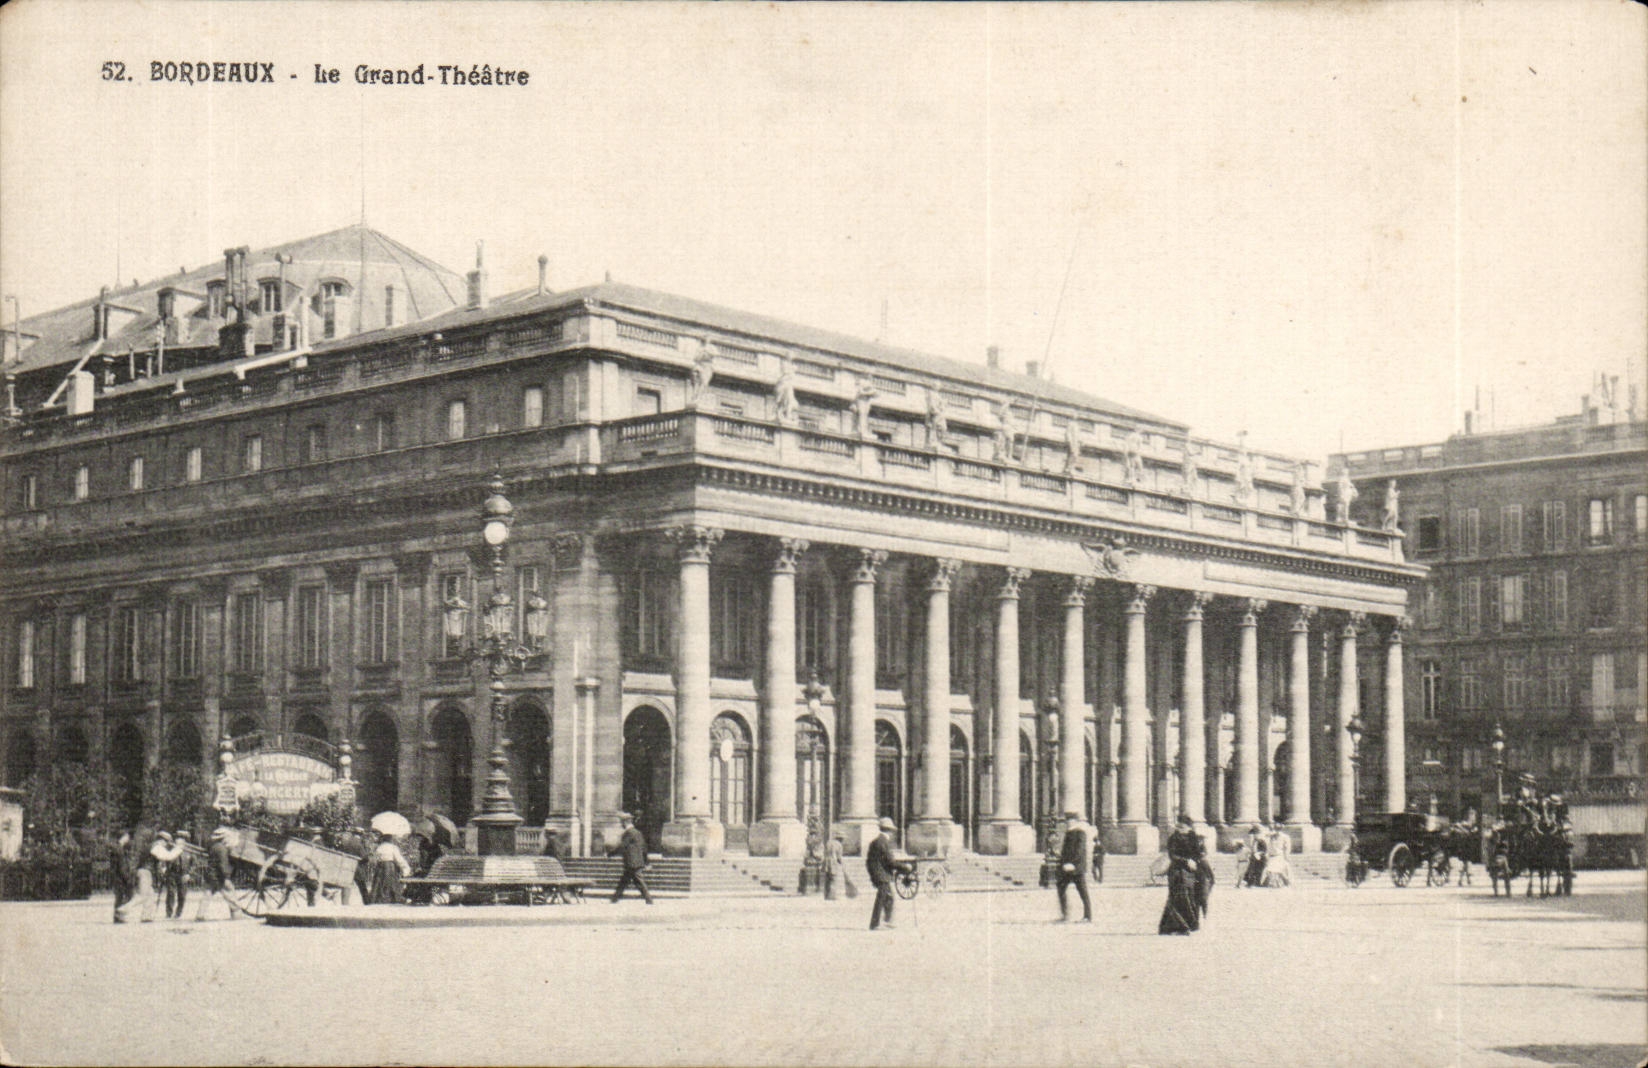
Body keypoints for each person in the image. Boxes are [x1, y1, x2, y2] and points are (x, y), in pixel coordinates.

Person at [1159, 814, 1205, 935]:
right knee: (1178, 898)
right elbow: (1172, 855)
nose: (1180, 828)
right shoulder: (1174, 838)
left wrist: (1196, 860)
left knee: (1191, 898)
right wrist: (1186, 861)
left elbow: (1199, 853)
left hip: (1191, 872)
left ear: (1189, 827)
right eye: (1179, 826)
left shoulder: (1194, 837)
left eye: (1182, 826)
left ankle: (1189, 925)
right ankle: (1180, 927)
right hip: (1177, 871)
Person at [865, 816, 912, 931]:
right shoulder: (883, 842)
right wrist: (905, 867)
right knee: (881, 899)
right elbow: (890, 861)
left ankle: (887, 921)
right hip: (882, 875)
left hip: (879, 874)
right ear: (889, 830)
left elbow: (870, 861)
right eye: (891, 831)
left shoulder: (876, 842)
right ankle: (875, 924)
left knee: (889, 897)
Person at [195, 824, 248, 921]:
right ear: (223, 838)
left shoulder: (214, 847)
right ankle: (237, 914)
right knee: (230, 893)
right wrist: (226, 876)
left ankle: (200, 915)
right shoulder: (222, 849)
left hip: (211, 874)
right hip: (219, 876)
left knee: (207, 894)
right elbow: (223, 864)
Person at [1054, 811, 1093, 923]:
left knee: (1083, 892)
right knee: (1061, 888)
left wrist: (1072, 864)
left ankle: (1087, 916)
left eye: (1070, 821)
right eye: (1067, 821)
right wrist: (1062, 863)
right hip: (1066, 868)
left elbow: (1079, 851)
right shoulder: (1069, 833)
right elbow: (1065, 852)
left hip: (1076, 868)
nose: (1068, 823)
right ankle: (1065, 914)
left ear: (1075, 821)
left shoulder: (1080, 833)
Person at [608, 811, 653, 905]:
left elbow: (622, 846)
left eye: (622, 822)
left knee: (637, 882)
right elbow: (644, 848)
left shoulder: (628, 833)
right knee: (624, 881)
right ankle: (614, 899)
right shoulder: (638, 832)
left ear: (625, 822)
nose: (621, 824)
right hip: (636, 862)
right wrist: (646, 861)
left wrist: (611, 854)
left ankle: (649, 900)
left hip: (631, 862)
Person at [366, 832, 412, 905]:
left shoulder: (379, 847)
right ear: (390, 839)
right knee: (391, 882)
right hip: (389, 866)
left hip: (380, 866)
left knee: (379, 883)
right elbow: (399, 859)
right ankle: (395, 898)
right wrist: (405, 868)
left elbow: (375, 859)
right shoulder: (393, 847)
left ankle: (377, 898)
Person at [165, 829, 193, 918]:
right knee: (171, 893)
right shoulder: (171, 849)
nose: (179, 841)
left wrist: (189, 873)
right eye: (178, 838)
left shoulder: (189, 851)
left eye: (182, 839)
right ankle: (169, 913)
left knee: (182, 894)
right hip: (172, 872)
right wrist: (164, 868)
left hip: (184, 873)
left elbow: (194, 864)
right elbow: (165, 859)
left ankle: (178, 913)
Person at [109, 830, 134, 923]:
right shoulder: (118, 849)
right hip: (120, 877)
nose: (128, 838)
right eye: (127, 836)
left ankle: (118, 915)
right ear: (123, 837)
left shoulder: (118, 848)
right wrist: (127, 877)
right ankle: (119, 915)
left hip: (118, 876)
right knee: (123, 896)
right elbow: (121, 865)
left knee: (120, 896)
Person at [823, 828, 852, 901]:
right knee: (833, 879)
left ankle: (826, 895)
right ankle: (832, 896)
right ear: (840, 838)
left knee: (827, 879)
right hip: (833, 863)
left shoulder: (829, 842)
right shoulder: (839, 845)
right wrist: (842, 863)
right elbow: (839, 857)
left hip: (826, 862)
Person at [1263, 823, 1292, 888]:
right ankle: (1276, 883)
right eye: (1276, 828)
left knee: (1279, 871)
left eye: (1278, 829)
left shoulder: (1285, 837)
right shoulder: (1272, 836)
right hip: (1272, 856)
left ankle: (1287, 882)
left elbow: (1287, 847)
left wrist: (1286, 856)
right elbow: (1265, 837)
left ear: (1281, 829)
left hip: (1279, 856)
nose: (1277, 830)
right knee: (1270, 870)